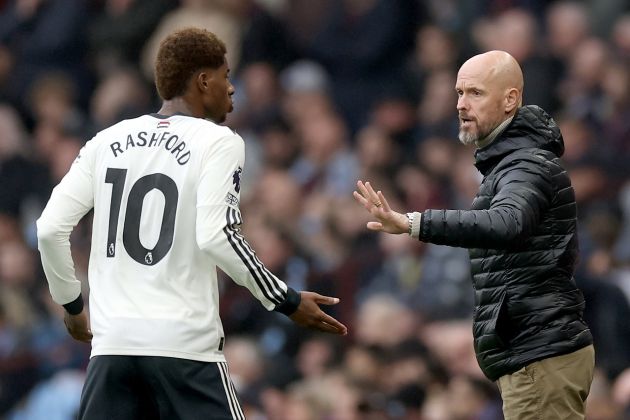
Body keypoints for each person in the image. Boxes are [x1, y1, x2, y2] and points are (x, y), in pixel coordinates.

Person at [37, 27, 347, 420]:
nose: (232, 89)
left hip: (112, 349)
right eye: (226, 75)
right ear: (203, 80)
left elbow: (49, 228)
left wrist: (71, 304)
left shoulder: (105, 141)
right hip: (183, 350)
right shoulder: (219, 141)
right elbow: (218, 235)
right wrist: (284, 299)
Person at [354, 50, 595, 419]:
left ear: (511, 99)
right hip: (533, 351)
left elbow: (507, 223)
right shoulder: (510, 164)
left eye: (476, 93)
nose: (462, 105)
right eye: (459, 93)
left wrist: (414, 224)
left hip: (540, 353)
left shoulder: (526, 164)